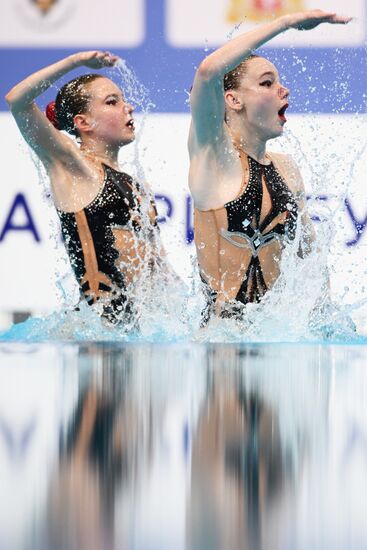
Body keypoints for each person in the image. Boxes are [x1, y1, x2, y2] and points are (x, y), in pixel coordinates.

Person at [189, 10, 351, 322]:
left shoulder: (287, 168)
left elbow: (311, 260)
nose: (283, 89)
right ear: (233, 100)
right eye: (266, 83)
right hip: (224, 348)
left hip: (274, 336)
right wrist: (286, 23)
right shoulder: (213, 158)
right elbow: (208, 72)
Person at [5, 51, 166, 326]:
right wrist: (76, 62)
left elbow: (158, 269)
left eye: (124, 100)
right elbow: (17, 100)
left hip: (135, 331)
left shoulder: (135, 183)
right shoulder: (72, 167)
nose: (128, 108)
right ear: (82, 122)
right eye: (112, 102)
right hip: (97, 333)